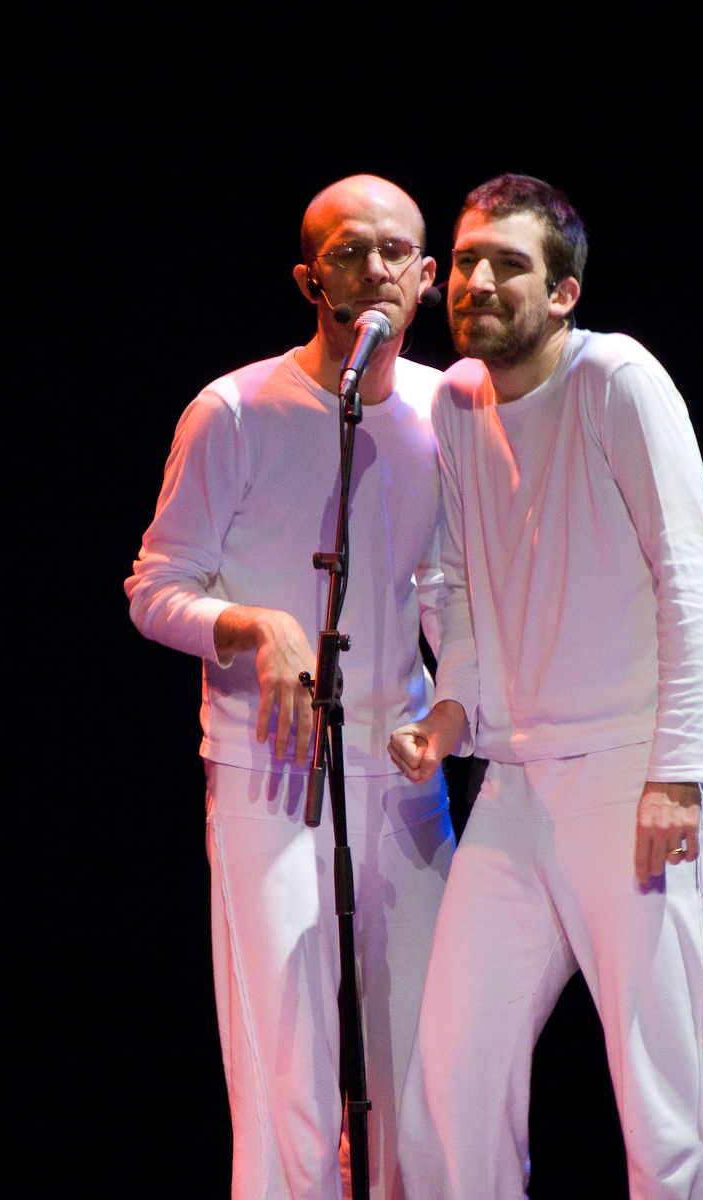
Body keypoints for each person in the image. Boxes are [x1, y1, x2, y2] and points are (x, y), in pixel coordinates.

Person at [390, 175, 703, 1199]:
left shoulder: (617, 379)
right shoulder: (457, 399)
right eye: (466, 260)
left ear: (562, 292)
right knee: (451, 1081)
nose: (477, 280)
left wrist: (678, 771)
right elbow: (452, 581)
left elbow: (691, 576)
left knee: (666, 1096)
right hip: (517, 783)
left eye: (508, 263)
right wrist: (452, 708)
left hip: (633, 772)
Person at [125, 175, 455, 1200]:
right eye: (349, 251)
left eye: (396, 252)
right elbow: (154, 588)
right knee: (285, 1071)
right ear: (311, 279)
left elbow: (449, 588)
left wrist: (460, 703)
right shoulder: (234, 410)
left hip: (402, 771)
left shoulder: (451, 408)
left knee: (430, 1062)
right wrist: (253, 625)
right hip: (269, 772)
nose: (375, 271)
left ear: (428, 277)